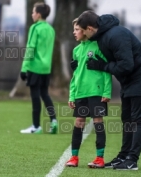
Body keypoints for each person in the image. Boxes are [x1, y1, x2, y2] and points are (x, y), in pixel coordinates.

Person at [76, 11, 141, 170]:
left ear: (89, 28)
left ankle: (132, 160)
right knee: (127, 119)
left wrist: (103, 66)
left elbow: (126, 65)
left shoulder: (116, 35)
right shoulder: (102, 36)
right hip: (129, 81)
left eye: (82, 30)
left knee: (137, 120)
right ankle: (123, 156)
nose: (82, 34)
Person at [65, 18, 112, 168]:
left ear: (86, 30)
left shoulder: (98, 47)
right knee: (78, 123)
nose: (74, 32)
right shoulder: (76, 50)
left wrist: (107, 91)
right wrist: (72, 95)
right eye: (74, 29)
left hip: (96, 92)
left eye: (77, 29)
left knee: (98, 122)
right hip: (80, 94)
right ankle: (74, 157)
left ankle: (99, 158)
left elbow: (106, 71)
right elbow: (75, 75)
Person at [19, 2, 57, 134]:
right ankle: (53, 120)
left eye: (33, 12)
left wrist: (24, 68)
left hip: (35, 66)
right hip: (46, 67)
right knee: (45, 94)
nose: (32, 14)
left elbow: (30, 48)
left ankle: (36, 126)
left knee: (35, 96)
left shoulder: (35, 28)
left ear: (39, 14)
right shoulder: (51, 30)